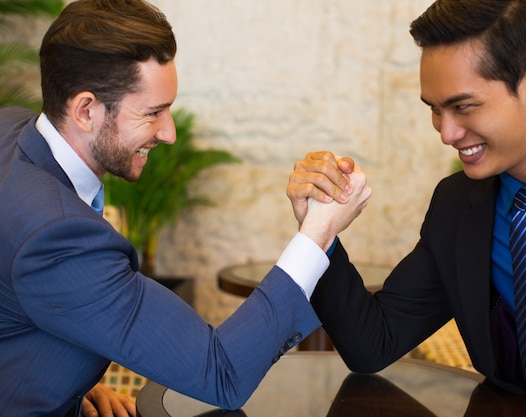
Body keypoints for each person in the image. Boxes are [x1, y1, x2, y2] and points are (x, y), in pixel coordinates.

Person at [0, 1, 372, 416]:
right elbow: (222, 372)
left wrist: (64, 385)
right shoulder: (57, 237)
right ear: (86, 110)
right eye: (153, 112)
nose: (170, 132)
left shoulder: (10, 129)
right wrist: (318, 232)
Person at [286, 1, 526, 416]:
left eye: (464, 106)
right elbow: (373, 344)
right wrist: (318, 230)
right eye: (434, 108)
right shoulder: (457, 207)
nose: (447, 133)